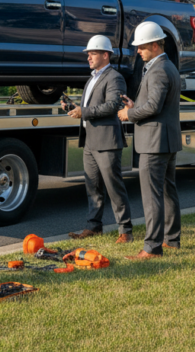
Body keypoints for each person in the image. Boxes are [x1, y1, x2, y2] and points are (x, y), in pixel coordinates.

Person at [118, 21, 182, 260]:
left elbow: (154, 107)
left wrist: (129, 114)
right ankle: (172, 241)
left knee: (152, 195)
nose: (138, 51)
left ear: (156, 45)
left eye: (142, 46)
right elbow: (159, 105)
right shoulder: (168, 67)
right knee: (168, 192)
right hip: (166, 140)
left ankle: (152, 248)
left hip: (154, 142)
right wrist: (136, 106)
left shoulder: (158, 70)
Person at [63, 35, 134, 244]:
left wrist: (83, 111)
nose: (88, 57)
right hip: (91, 141)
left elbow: (113, 106)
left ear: (105, 54)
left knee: (114, 187)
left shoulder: (115, 77)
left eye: (92, 53)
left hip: (107, 142)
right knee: (92, 187)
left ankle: (126, 231)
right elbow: (92, 105)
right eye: (88, 54)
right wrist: (72, 108)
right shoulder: (92, 78)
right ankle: (94, 227)